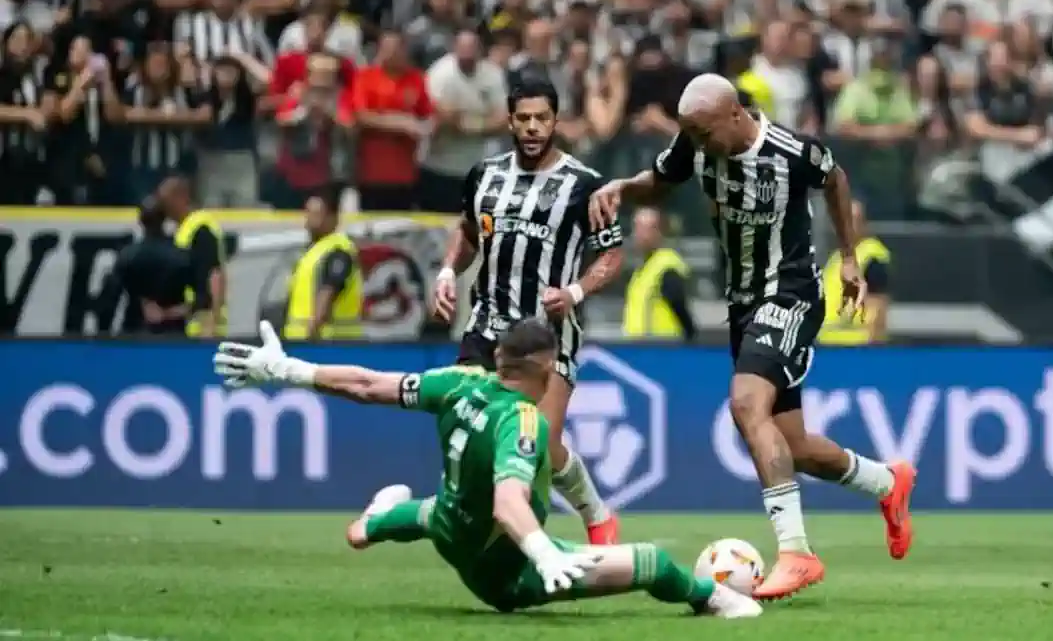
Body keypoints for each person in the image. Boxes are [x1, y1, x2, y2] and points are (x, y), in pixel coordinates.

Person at [587, 73, 917, 601]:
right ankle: (887, 483)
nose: (697, 145)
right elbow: (661, 179)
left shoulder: (792, 152)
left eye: (703, 133)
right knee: (797, 447)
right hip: (743, 305)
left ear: (735, 114)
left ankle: (796, 553)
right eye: (690, 135)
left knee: (745, 404)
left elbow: (836, 180)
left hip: (789, 294)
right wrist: (623, 188)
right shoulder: (695, 143)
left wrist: (850, 257)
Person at [211, 319, 761, 619]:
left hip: (452, 529)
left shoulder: (458, 383)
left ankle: (374, 521)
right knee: (655, 564)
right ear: (544, 368)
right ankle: (714, 601)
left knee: (432, 512)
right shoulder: (523, 422)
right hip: (504, 571)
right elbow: (509, 503)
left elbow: (365, 385)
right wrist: (543, 552)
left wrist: (287, 368)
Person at [430, 78, 625, 545]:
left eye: (542, 118)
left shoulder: (585, 186)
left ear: (556, 121)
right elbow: (468, 233)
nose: (533, 127)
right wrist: (445, 273)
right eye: (524, 118)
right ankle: (493, 529)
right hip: (487, 324)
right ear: (510, 120)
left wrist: (575, 291)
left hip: (547, 333)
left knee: (539, 445)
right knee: (468, 426)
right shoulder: (484, 175)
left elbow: (612, 255)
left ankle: (595, 514)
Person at [105, 196, 210, 335]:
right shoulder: (182, 257)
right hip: (172, 336)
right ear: (165, 219)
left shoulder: (127, 256)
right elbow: (203, 300)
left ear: (140, 221)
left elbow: (110, 301)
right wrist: (167, 313)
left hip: (134, 335)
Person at [282, 187, 364, 341]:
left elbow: (325, 298)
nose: (308, 222)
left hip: (329, 345)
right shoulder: (313, 251)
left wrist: (309, 338)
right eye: (307, 214)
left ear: (333, 218)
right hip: (302, 344)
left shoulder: (338, 251)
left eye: (316, 215)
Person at [158, 176, 226, 337]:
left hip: (203, 328)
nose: (164, 209)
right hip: (191, 326)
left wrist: (212, 323)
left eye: (165, 202)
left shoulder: (200, 229)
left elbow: (215, 275)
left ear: (181, 198)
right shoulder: (184, 230)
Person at [818, 201, 891, 345]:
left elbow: (878, 308)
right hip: (829, 346)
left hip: (856, 347)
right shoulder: (838, 256)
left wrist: (871, 349)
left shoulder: (872, 256)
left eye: (852, 220)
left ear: (863, 224)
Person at [623, 207, 696, 340]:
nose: (637, 234)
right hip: (638, 350)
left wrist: (692, 340)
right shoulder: (642, 269)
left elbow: (679, 306)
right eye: (636, 227)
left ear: (658, 232)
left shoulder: (667, 266)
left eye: (644, 229)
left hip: (662, 348)